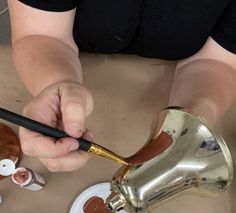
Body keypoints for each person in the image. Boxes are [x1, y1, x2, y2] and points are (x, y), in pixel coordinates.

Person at [8, 0, 236, 172]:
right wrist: (56, 82)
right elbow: (42, 34)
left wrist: (194, 118)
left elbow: (217, 62)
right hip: (71, 63)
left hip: (175, 84)